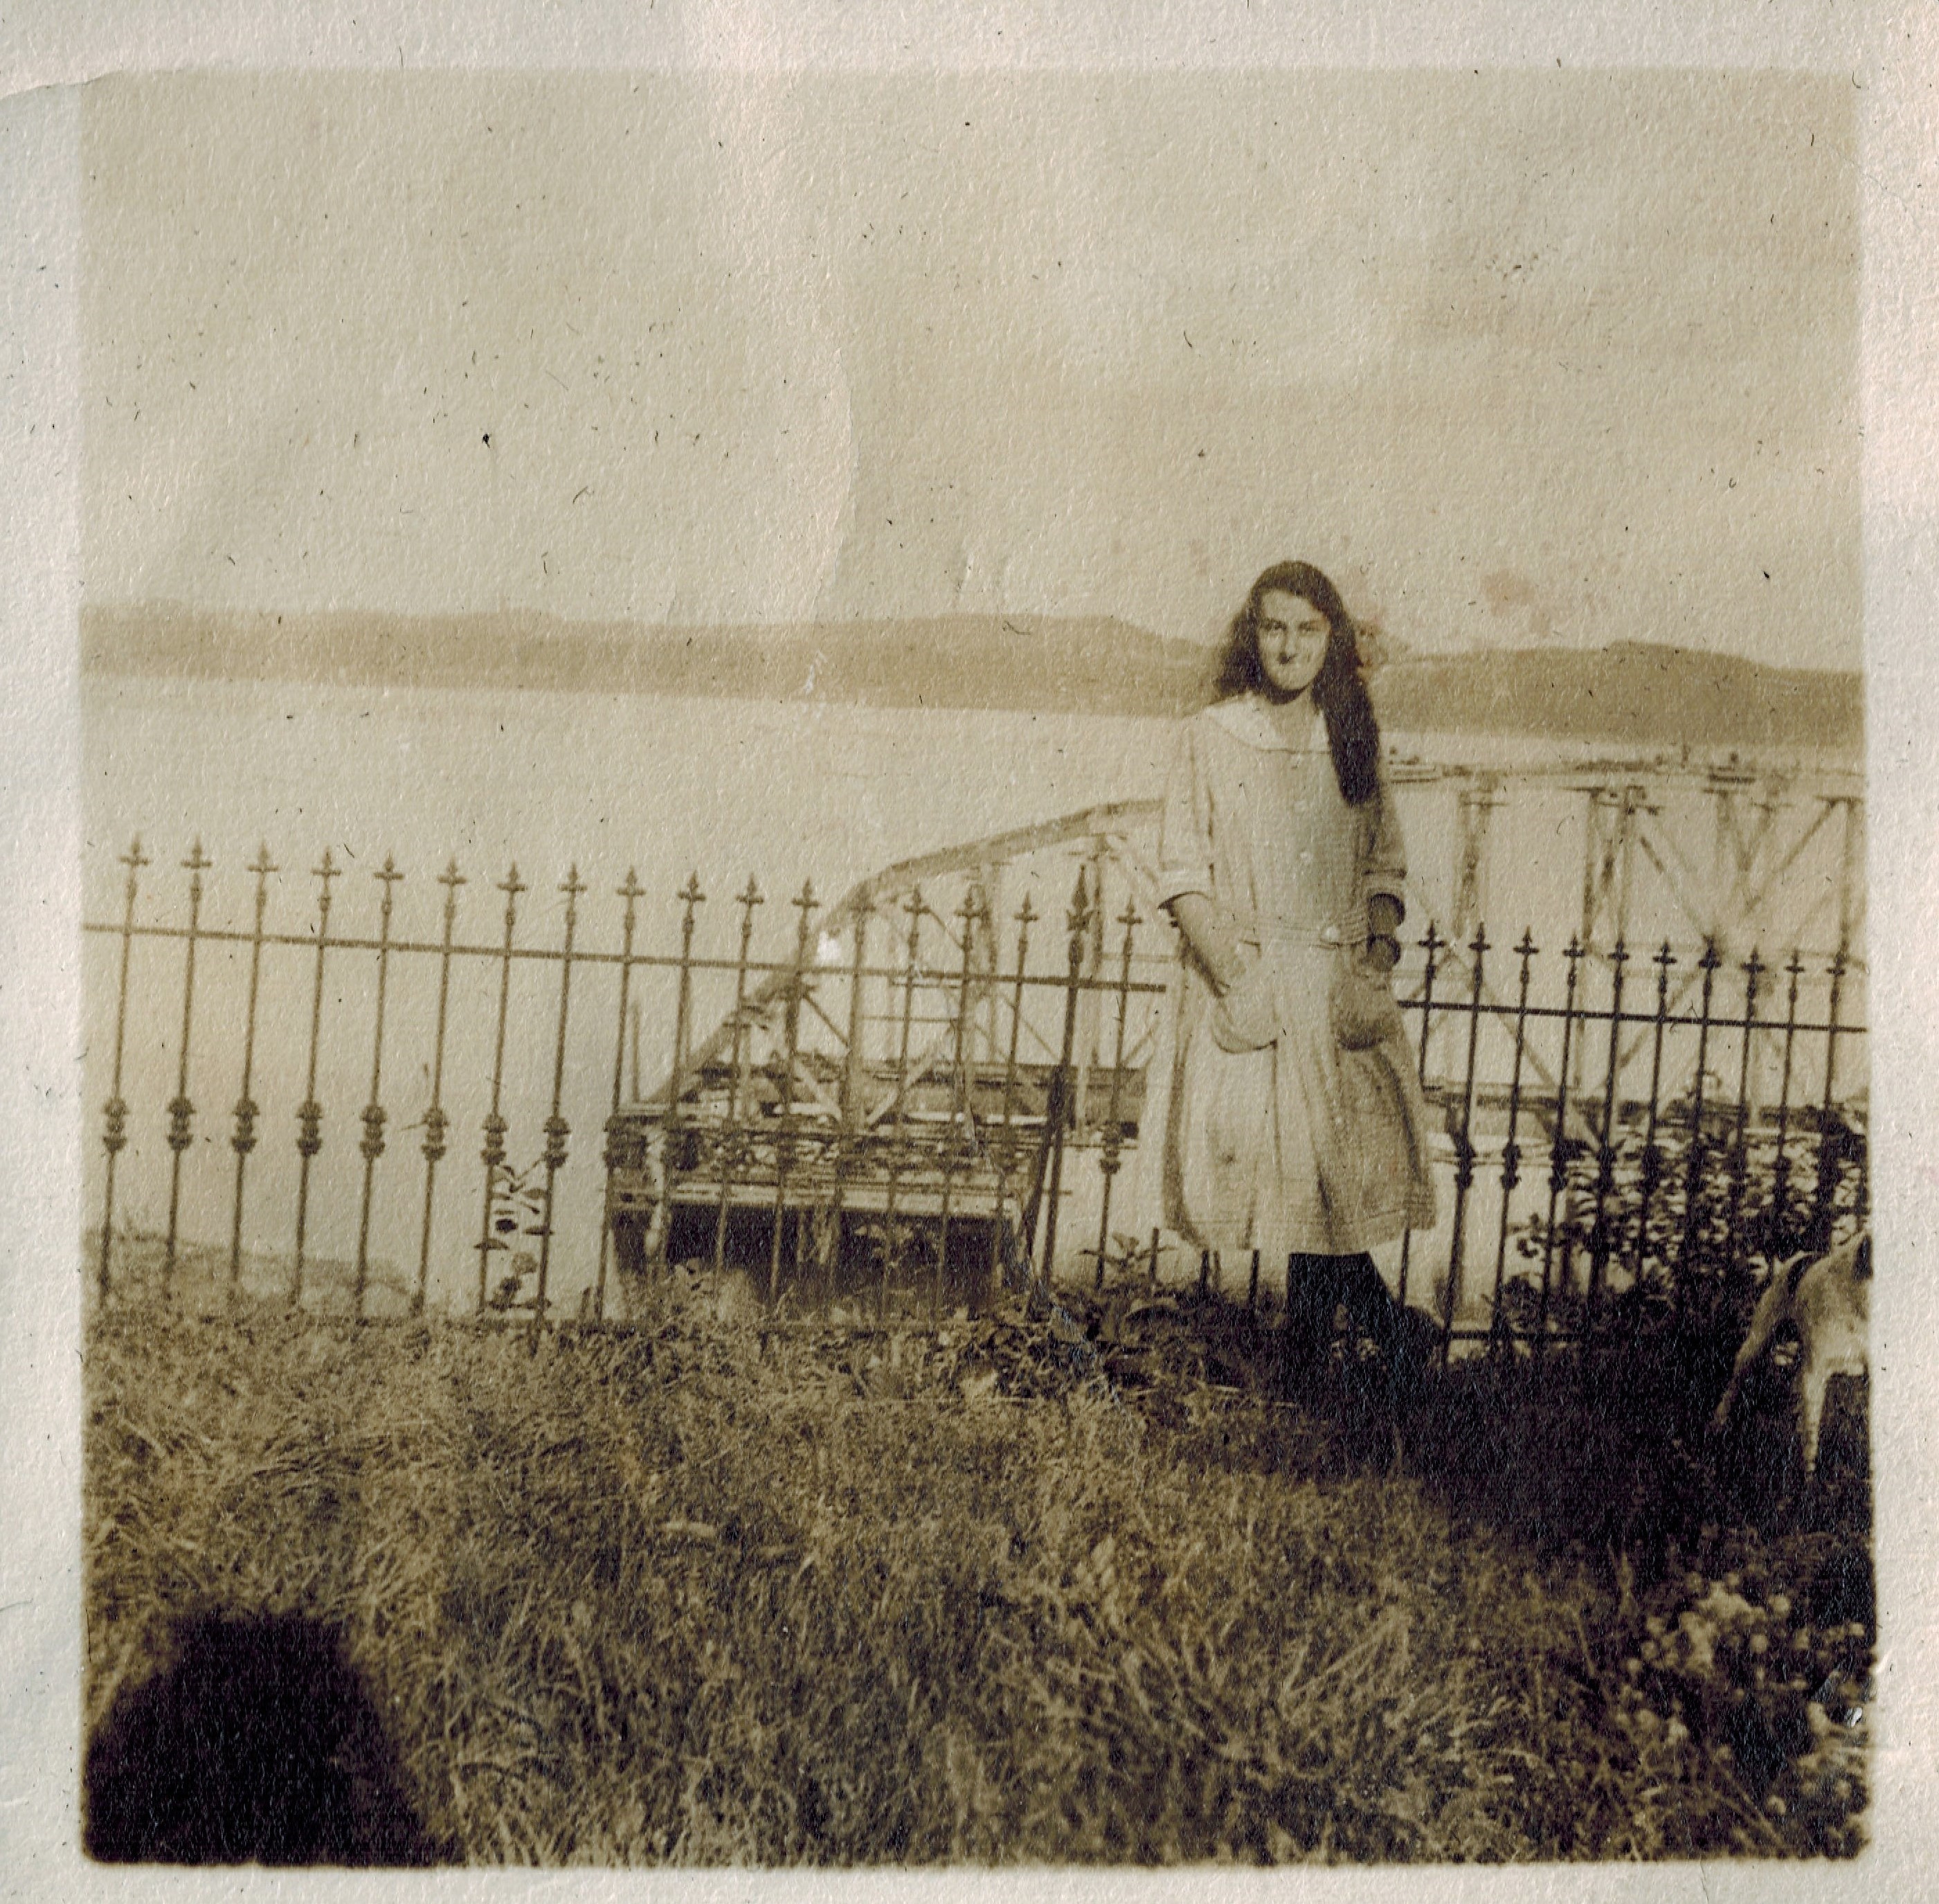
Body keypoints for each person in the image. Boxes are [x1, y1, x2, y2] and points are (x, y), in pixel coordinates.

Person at [1148, 560, 1437, 1395]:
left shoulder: (1351, 736)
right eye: (1273, 627)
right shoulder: (1209, 737)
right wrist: (1238, 977)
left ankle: (1320, 1368)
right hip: (1252, 983)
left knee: (1322, 1185)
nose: (1289, 646)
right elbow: (1181, 871)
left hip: (1336, 984)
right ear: (1252, 635)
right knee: (1292, 1185)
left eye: (1307, 629)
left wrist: (1376, 957)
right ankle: (1380, 1337)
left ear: (1331, 639)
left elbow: (1386, 864)